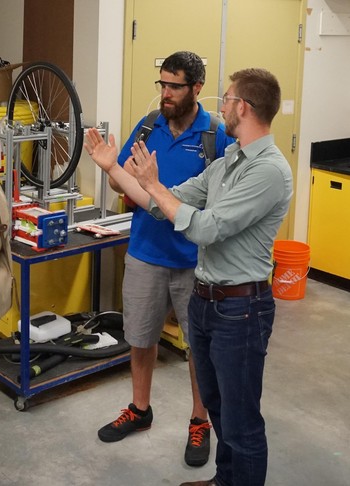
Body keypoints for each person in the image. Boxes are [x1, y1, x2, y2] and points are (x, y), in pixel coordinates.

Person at [85, 67, 292, 486]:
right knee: (218, 408)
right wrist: (114, 168)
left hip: (241, 310)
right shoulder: (231, 159)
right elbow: (164, 202)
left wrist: (155, 186)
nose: (223, 104)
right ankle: (223, 480)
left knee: (241, 421)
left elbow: (205, 227)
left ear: (243, 107)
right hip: (207, 302)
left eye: (228, 97)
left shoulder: (268, 170)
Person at [96, 51, 234, 468]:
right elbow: (126, 182)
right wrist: (108, 167)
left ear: (197, 88)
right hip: (145, 254)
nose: (166, 94)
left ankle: (199, 420)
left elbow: (224, 201)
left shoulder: (217, 136)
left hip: (196, 262)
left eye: (175, 86)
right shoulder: (148, 127)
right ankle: (140, 410)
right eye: (162, 84)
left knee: (199, 348)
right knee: (140, 337)